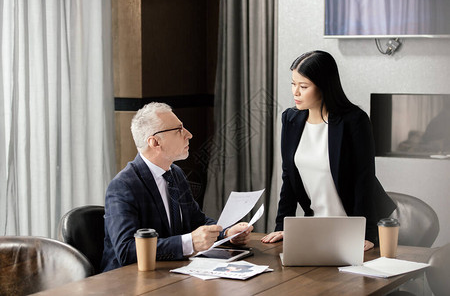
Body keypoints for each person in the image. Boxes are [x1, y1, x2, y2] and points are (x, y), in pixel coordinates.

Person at [261, 50, 396, 250]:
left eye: (303, 86)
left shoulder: (354, 120)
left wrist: (366, 233)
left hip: (354, 227)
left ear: (324, 86)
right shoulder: (290, 119)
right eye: (293, 84)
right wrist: (283, 226)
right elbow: (288, 177)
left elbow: (363, 179)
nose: (295, 92)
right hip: (316, 229)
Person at [101, 102, 253, 272]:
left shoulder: (175, 173)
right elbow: (126, 251)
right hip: (127, 281)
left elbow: (197, 221)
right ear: (155, 142)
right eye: (179, 130)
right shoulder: (123, 186)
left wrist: (226, 232)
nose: (189, 134)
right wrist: (188, 243)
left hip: (172, 272)